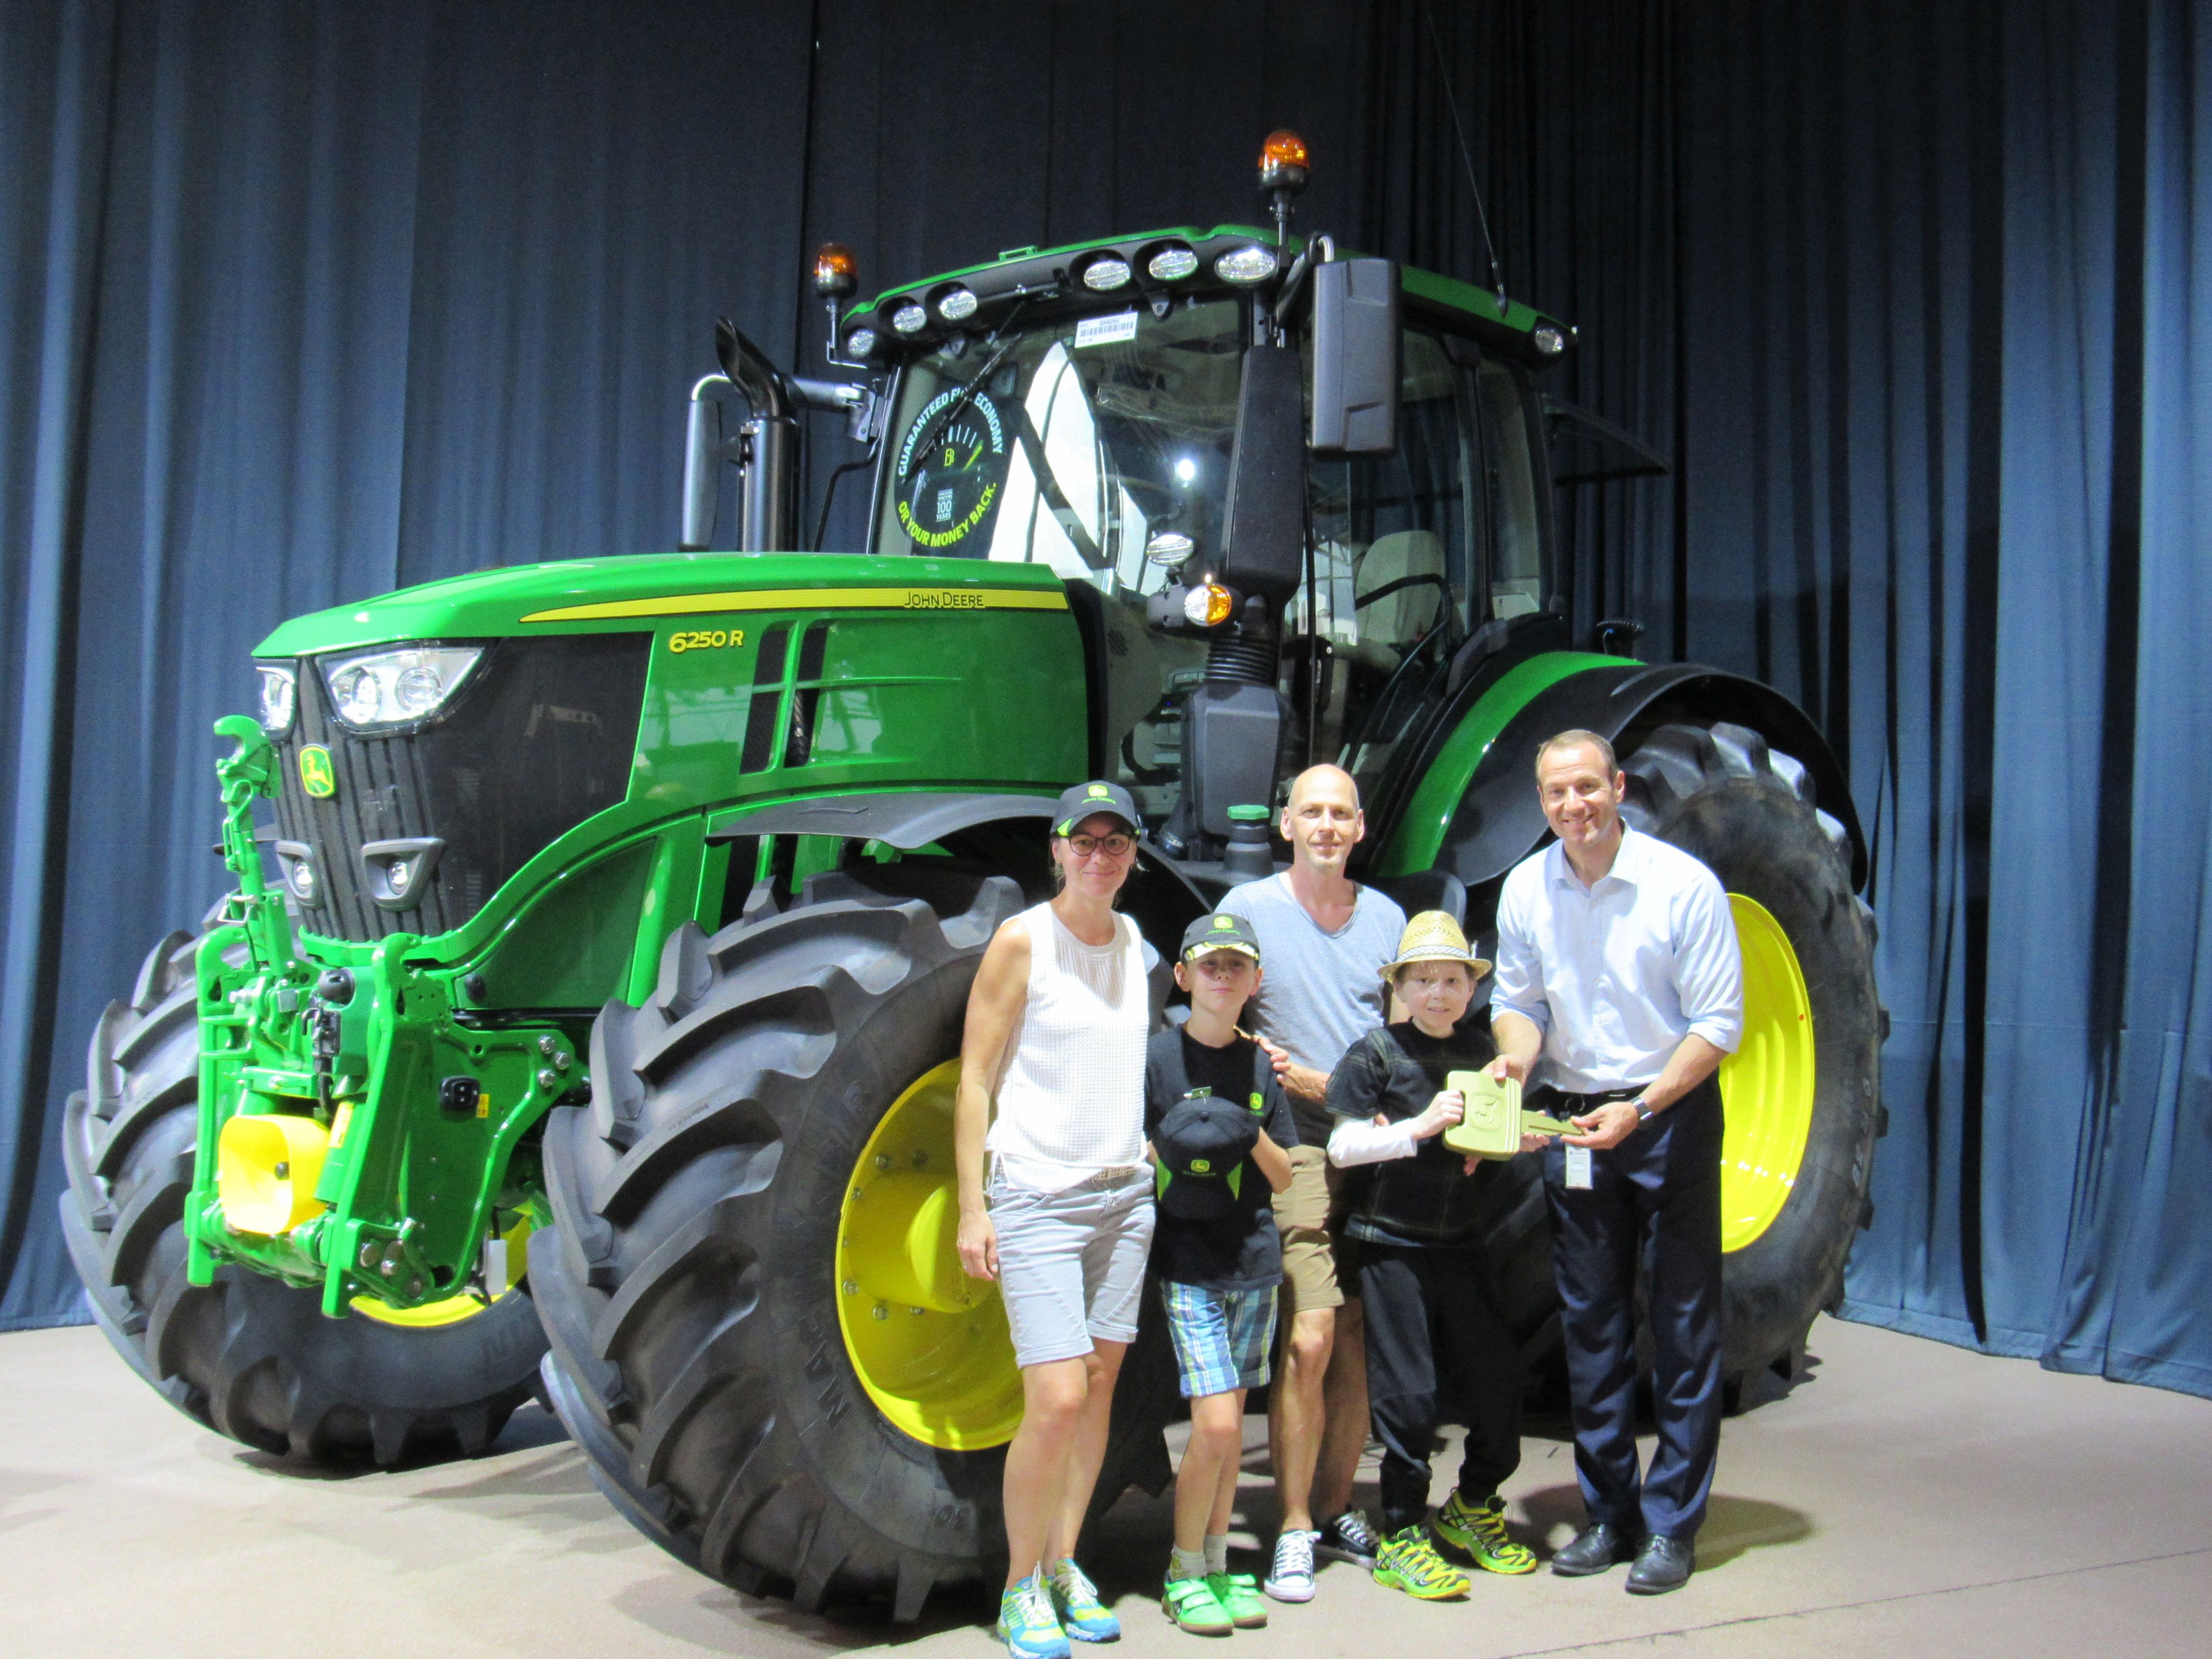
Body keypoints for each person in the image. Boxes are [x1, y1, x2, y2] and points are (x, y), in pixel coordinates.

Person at [1489, 730, 1743, 1596]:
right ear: (1544, 801)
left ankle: (1673, 1523)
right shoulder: (1528, 887)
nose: (1574, 806)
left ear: (1618, 786)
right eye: (1558, 793)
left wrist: (1636, 1110)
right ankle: (1609, 1514)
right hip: (1572, 1117)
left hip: (1664, 1113)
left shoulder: (1684, 887)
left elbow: (1716, 1026)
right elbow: (1519, 1002)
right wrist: (1514, 1068)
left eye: (1588, 788)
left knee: (1681, 1326)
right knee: (1590, 1326)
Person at [957, 780, 1159, 1659]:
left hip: (1124, 1198)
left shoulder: (1135, 940)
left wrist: (1141, 1144)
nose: (1099, 855)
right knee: (1056, 1397)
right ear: (1057, 848)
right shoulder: (1021, 941)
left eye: (1116, 842)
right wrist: (973, 1204)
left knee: (1101, 1390)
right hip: (1038, 1196)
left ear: (1133, 856)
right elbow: (975, 1077)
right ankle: (1018, 1587)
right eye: (1085, 839)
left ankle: (1065, 1560)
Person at [1216, 764, 1406, 1601]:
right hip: (1295, 1148)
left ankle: (1334, 1508)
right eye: (1312, 812)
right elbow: (1213, 1010)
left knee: (1358, 1337)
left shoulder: (1389, 918)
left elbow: (1406, 1046)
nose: (1327, 826)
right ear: (1285, 824)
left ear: (1359, 829)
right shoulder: (1251, 913)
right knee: (1311, 1337)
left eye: (1341, 814)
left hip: (1373, 1147)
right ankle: (1292, 1524)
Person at [1325, 912, 1543, 1600]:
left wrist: (1511, 1138)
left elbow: (1488, 1137)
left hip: (1463, 1242)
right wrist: (1418, 1129)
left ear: (1472, 989)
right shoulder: (1374, 1054)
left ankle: (1473, 1506)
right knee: (1410, 1397)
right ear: (1402, 987)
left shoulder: (1483, 1053)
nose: (1439, 992)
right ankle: (1400, 1535)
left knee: (1501, 1378)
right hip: (1390, 1242)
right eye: (1424, 980)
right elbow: (1341, 1147)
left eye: (1452, 980)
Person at [1144, 912, 1298, 1635]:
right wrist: (1175, 1147)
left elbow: (1284, 1177)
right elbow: (1137, 1149)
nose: (1223, 977)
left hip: (1254, 1263)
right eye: (1210, 965)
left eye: (1237, 967)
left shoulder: (1263, 1064)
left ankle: (1215, 1562)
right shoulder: (1159, 1058)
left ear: (1255, 981)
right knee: (1212, 1423)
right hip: (1191, 1265)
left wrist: (1244, 1123)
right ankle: (1180, 1570)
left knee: (1231, 1429)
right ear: (1184, 976)